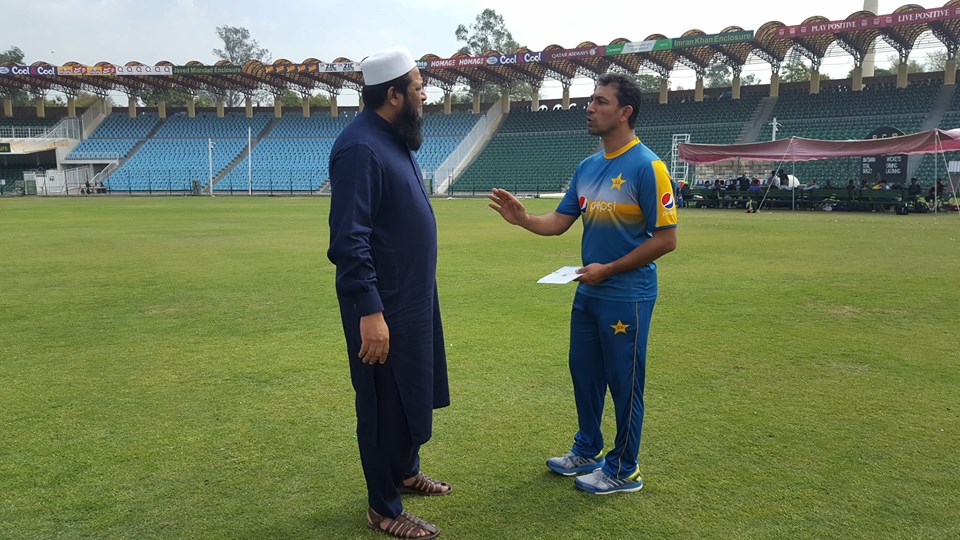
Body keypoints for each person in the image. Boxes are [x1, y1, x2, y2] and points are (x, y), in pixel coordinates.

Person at [489, 73, 678, 495]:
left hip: (626, 296)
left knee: (625, 385)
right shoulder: (588, 167)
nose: (590, 108)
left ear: (625, 112)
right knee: (585, 374)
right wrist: (524, 220)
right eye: (591, 101)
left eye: (600, 102)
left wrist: (608, 269)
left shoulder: (649, 167)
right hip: (588, 291)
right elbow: (558, 223)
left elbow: (667, 239)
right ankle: (587, 449)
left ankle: (624, 469)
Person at [327, 45, 450, 540]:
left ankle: (404, 470)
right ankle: (383, 508)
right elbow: (349, 239)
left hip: (414, 298)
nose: (425, 96)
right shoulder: (360, 147)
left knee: (411, 393)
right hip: (383, 306)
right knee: (382, 404)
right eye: (419, 88)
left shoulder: (393, 139)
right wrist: (370, 312)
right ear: (395, 94)